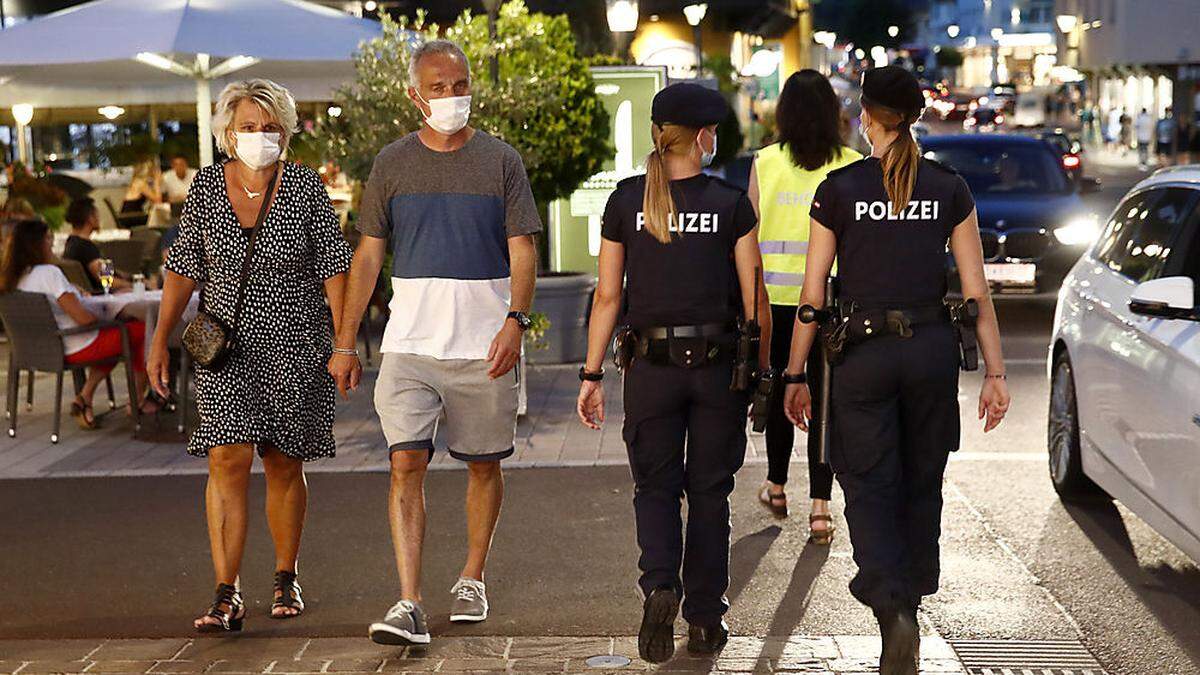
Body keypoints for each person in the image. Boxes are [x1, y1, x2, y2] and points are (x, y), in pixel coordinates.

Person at [781, 66, 1009, 675]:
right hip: (932, 352)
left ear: (867, 118)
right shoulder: (949, 188)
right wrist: (996, 372)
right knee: (921, 480)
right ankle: (910, 591)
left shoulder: (838, 188)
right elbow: (975, 289)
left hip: (863, 357)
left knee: (869, 483)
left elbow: (812, 294)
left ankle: (893, 608)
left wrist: (795, 372)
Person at [326, 40, 540, 647]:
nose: (452, 98)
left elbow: (523, 247)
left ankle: (472, 575)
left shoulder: (501, 161)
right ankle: (409, 601)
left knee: (482, 464)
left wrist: (515, 321)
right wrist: (346, 342)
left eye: (460, 85)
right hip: (409, 345)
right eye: (439, 88)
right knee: (405, 464)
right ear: (415, 96)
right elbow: (367, 256)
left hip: (483, 345)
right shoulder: (391, 164)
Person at [146, 79, 353, 633]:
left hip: (296, 344)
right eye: (247, 127)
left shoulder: (307, 190)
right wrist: (159, 339)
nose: (259, 136)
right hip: (226, 351)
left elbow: (335, 268)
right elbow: (184, 269)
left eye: (268, 127)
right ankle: (225, 590)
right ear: (227, 134)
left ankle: (286, 575)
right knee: (226, 463)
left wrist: (343, 342)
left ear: (284, 133)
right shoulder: (208, 188)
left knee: (284, 462)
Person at [577, 82, 769, 664]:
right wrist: (766, 373)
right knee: (711, 494)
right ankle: (706, 619)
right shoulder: (730, 202)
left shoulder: (625, 201)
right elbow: (753, 294)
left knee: (654, 489)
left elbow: (608, 297)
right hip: (717, 371)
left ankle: (660, 583)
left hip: (651, 371)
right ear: (704, 136)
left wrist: (590, 374)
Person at [748, 69, 860, 538]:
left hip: (774, 303)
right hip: (829, 304)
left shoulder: (764, 163)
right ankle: (820, 506)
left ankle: (776, 484)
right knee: (824, 400)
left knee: (777, 392)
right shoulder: (853, 164)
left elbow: (747, 236)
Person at [0, 219, 154, 429]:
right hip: (74, 345)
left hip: (35, 351)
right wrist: (109, 317)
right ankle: (136, 400)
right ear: (35, 245)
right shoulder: (49, 273)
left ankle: (85, 398)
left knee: (121, 335)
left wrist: (74, 292)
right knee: (141, 331)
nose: (52, 244)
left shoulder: (12, 278)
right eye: (48, 239)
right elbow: (83, 318)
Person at [62, 197, 130, 293]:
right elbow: (106, 279)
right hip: (101, 296)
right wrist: (133, 284)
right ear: (90, 218)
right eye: (97, 215)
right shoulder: (87, 247)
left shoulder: (70, 243)